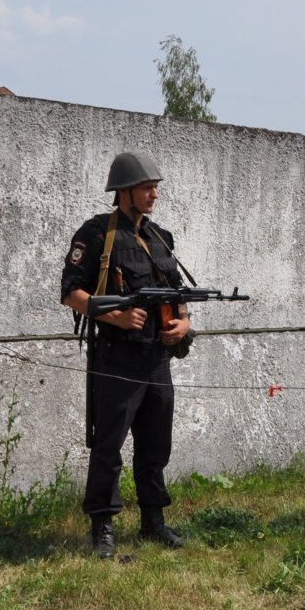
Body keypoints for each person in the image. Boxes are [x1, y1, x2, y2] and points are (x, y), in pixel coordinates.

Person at [60, 151, 192, 559]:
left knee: (156, 446)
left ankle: (153, 522)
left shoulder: (160, 238)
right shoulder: (96, 235)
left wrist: (183, 322)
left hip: (157, 358)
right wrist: (116, 316)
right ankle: (103, 528)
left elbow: (177, 292)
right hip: (117, 357)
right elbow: (71, 293)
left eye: (155, 188)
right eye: (147, 188)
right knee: (109, 446)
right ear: (124, 193)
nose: (154, 194)